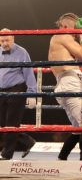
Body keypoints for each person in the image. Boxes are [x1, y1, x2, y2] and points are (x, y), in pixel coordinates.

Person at [48, 13, 82, 161]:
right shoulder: (63, 35)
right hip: (70, 83)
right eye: (77, 27)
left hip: (72, 82)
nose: (78, 31)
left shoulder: (61, 39)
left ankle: (62, 158)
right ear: (67, 26)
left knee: (81, 126)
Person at [0, 28, 37, 160]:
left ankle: (6, 154)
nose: (5, 43)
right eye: (2, 40)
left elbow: (29, 73)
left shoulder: (22, 52)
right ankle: (27, 141)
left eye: (7, 40)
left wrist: (32, 93)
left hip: (17, 89)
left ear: (13, 39)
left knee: (11, 122)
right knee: (3, 124)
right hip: (2, 91)